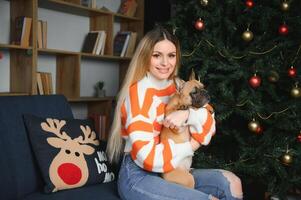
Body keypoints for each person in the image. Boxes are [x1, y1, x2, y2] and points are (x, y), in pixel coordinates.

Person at [106, 26, 243, 200]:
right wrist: (191, 146)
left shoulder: (177, 85)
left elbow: (210, 120)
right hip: (140, 174)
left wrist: (187, 115)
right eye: (157, 55)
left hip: (172, 166)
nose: (165, 63)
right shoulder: (138, 95)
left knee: (232, 183)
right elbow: (148, 158)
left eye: (171, 55)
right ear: (145, 57)